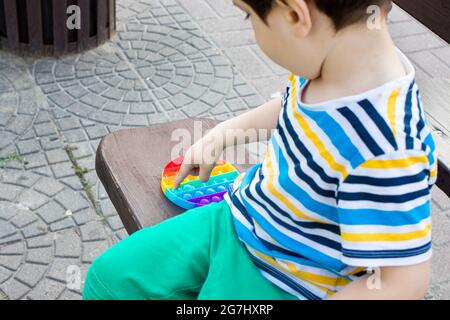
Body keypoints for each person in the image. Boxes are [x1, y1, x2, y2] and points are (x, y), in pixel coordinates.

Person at [83, 0, 436, 300]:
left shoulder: (387, 147)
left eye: (248, 16)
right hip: (236, 217)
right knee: (109, 280)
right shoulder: (335, 60)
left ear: (295, 14)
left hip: (288, 277)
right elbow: (292, 106)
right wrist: (221, 135)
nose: (250, 28)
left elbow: (404, 282)